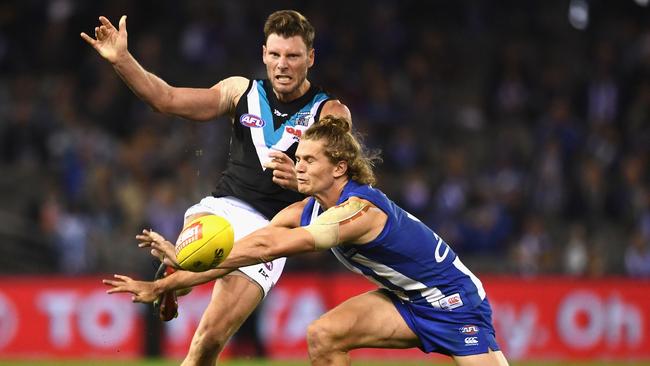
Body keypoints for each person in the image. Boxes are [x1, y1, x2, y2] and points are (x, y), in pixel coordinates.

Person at [104, 116, 509, 366]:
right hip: (405, 299)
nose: (297, 167)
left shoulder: (358, 213)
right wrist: (168, 280)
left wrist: (178, 274)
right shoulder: (303, 209)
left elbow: (264, 249)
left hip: (454, 302)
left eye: (308, 160)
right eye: (298, 159)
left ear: (339, 167)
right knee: (323, 335)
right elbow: (238, 256)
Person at [81, 9, 351, 365]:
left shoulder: (329, 113)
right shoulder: (240, 91)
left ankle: (180, 277)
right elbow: (167, 99)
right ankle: (183, 275)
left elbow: (343, 189)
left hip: (272, 232)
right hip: (223, 209)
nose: (282, 64)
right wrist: (122, 60)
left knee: (208, 340)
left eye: (292, 56)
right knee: (198, 254)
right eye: (275, 54)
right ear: (263, 54)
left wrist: (304, 179)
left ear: (310, 58)